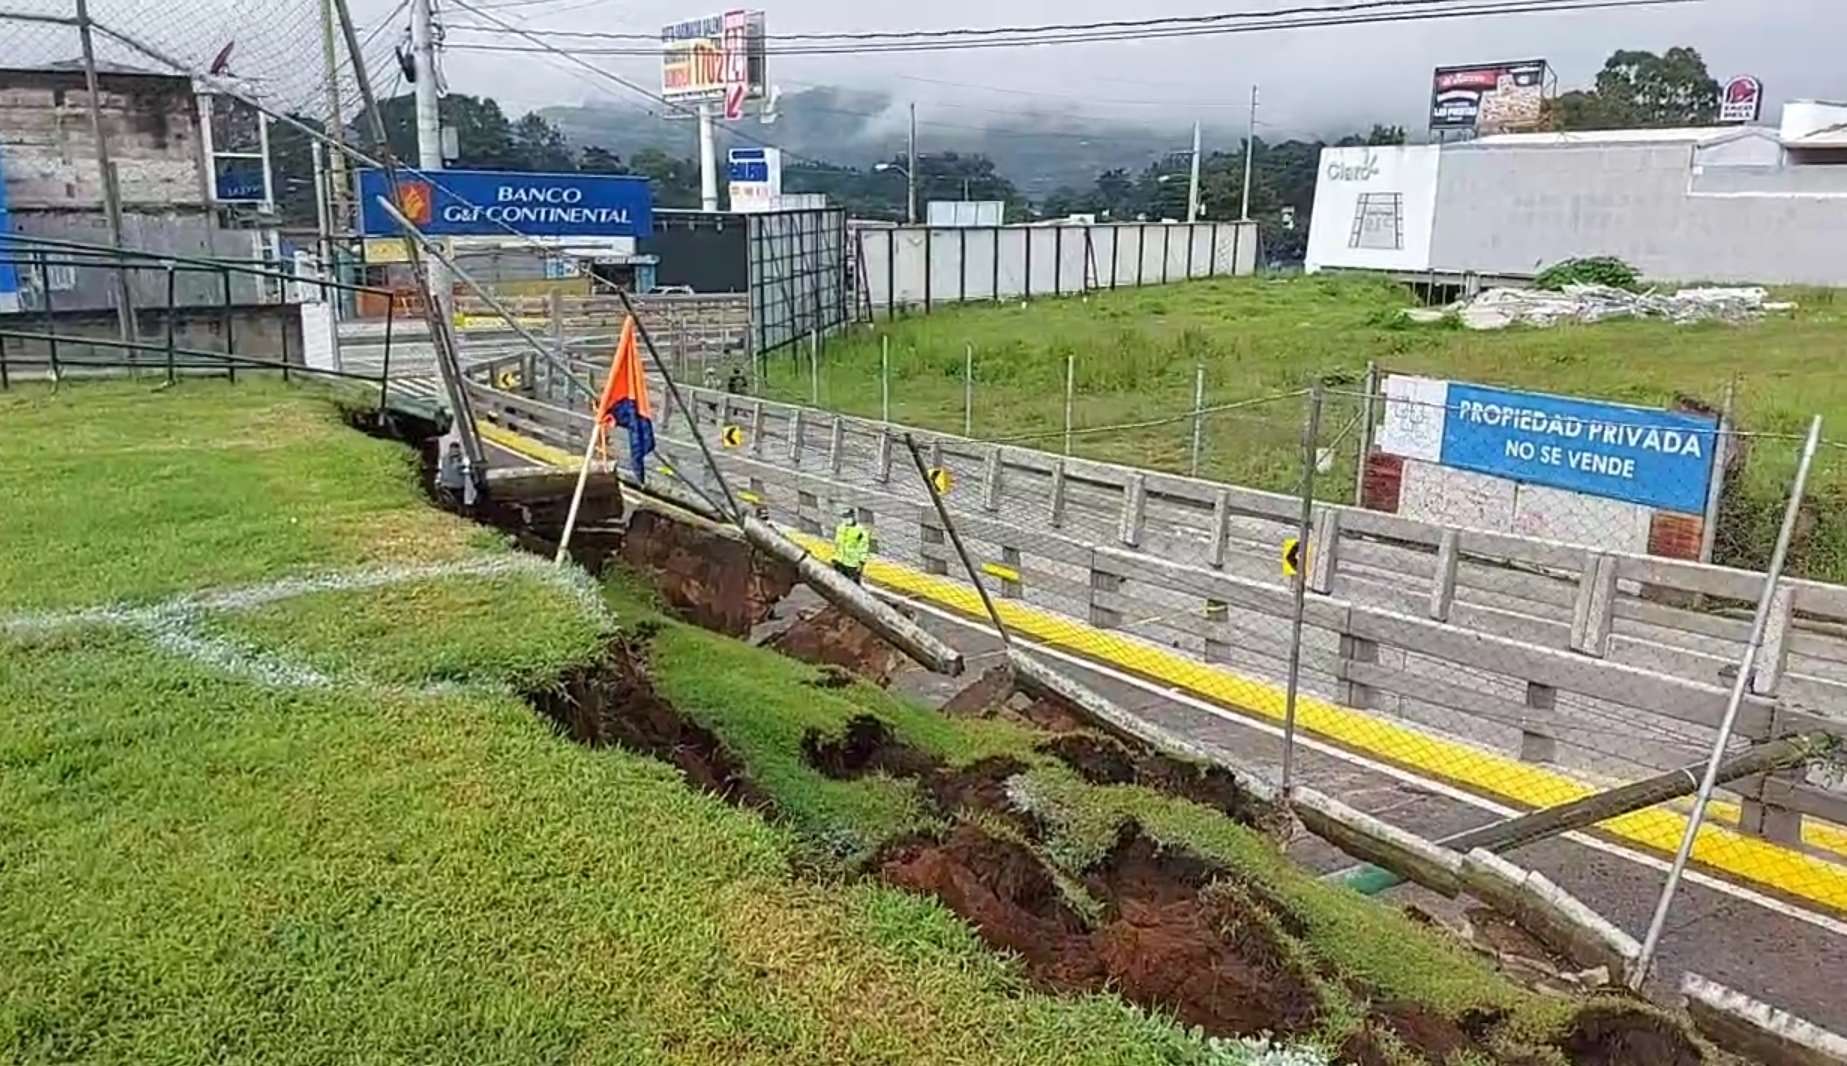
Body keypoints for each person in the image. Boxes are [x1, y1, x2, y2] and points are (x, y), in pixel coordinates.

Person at [832, 506, 870, 585]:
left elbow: (864, 547)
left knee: (854, 585)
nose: (846, 519)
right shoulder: (840, 528)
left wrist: (861, 562)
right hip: (840, 561)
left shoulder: (860, 531)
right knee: (840, 584)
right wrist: (835, 558)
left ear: (853, 517)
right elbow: (837, 545)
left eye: (848, 517)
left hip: (853, 564)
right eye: (844, 517)